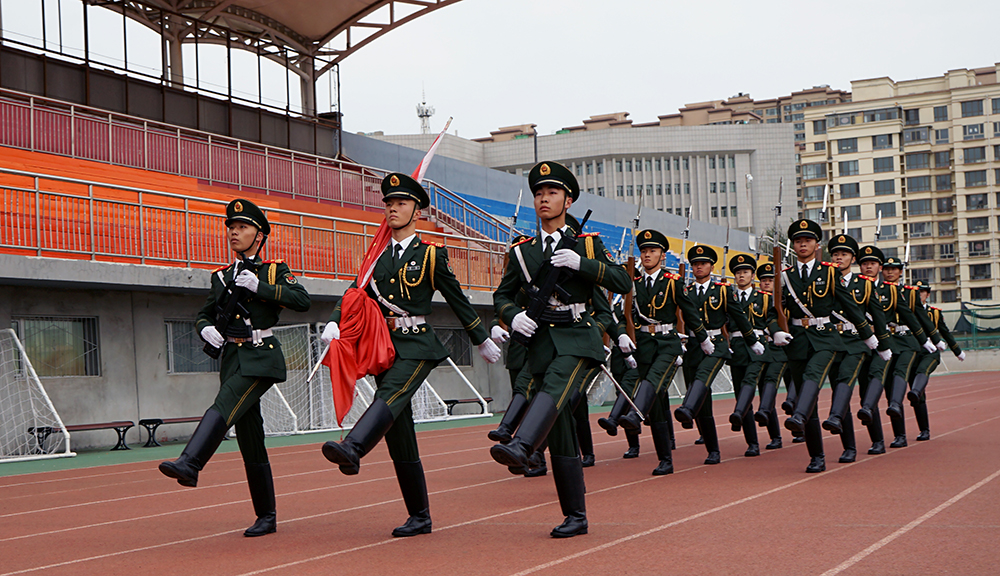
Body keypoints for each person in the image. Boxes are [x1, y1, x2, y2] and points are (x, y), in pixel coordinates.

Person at [319, 172, 502, 537]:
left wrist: (480, 338)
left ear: (416, 211)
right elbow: (356, 291)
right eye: (388, 203)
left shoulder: (431, 254)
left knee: (390, 395)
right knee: (398, 432)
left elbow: (456, 298)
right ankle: (419, 515)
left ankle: (354, 446)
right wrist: (335, 320)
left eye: (401, 203)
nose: (393, 209)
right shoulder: (376, 255)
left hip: (417, 344)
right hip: (383, 346)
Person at [491, 160, 632, 537]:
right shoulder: (521, 252)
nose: (544, 199)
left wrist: (583, 264)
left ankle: (522, 444)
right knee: (561, 429)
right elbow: (502, 296)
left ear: (568, 201)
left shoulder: (588, 243)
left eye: (552, 192)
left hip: (579, 338)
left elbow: (622, 282)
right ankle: (575, 515)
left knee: (554, 386)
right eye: (538, 193)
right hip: (540, 342)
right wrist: (513, 316)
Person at [158, 198, 311, 537]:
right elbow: (205, 314)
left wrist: (261, 288)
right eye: (231, 227)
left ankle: (191, 462)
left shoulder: (273, 270)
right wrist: (204, 329)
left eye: (242, 227)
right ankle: (266, 516)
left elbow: (302, 300)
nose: (234, 232)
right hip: (232, 358)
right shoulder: (221, 276)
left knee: (224, 404)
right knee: (250, 437)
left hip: (261, 357)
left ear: (259, 235)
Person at [780, 219, 879, 473]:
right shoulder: (785, 276)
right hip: (797, 340)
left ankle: (808, 421)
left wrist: (867, 335)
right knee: (807, 395)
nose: (803, 244)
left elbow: (849, 306)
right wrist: (775, 330)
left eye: (808, 240)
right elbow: (775, 309)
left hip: (825, 337)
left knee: (819, 380)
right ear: (793, 245)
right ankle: (817, 456)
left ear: (817, 245)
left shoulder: (829, 272)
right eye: (798, 241)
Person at [613, 229, 704, 474]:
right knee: (656, 403)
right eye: (644, 251)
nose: (647, 255)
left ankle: (635, 414)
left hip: (667, 343)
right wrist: (622, 334)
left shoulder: (673, 281)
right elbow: (624, 315)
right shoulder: (634, 283)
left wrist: (703, 338)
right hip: (644, 344)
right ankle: (665, 459)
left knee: (651, 382)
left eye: (652, 251)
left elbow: (689, 312)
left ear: (662, 255)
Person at [675, 245, 764, 465]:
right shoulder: (685, 291)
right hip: (693, 346)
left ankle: (688, 409)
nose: (699, 267)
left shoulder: (722, 290)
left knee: (702, 380)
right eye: (695, 264)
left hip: (716, 344)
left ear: (711, 267)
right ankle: (712, 449)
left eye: (703, 263)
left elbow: (739, 316)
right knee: (702, 400)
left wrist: (752, 340)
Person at [822, 234, 892, 464]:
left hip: (859, 342)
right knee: (839, 392)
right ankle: (849, 447)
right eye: (835, 254)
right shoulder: (823, 282)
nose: (839, 258)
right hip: (833, 341)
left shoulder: (864, 284)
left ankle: (877, 440)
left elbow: (878, 316)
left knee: (859, 392)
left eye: (844, 254)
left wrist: (883, 345)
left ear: (852, 259)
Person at [875, 256, 940, 448]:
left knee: (915, 391)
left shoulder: (910, 293)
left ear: (901, 272)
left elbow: (921, 318)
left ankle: (924, 429)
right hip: (889, 341)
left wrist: (933, 340)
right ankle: (900, 435)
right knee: (891, 389)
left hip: (910, 343)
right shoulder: (876, 291)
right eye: (887, 268)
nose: (890, 272)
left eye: (894, 269)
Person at [726, 255, 786, 457]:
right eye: (738, 273)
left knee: (757, 389)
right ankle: (752, 442)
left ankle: (775, 436)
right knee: (741, 395)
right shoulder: (729, 297)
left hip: (759, 348)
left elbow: (771, 320)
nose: (741, 276)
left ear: (753, 276)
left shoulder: (764, 298)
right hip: (737, 349)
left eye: (745, 272)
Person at [908, 280, 965, 441]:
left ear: (927, 294)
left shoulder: (934, 313)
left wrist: (957, 351)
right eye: (916, 292)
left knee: (922, 371)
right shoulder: (906, 311)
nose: (919, 295)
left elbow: (945, 333)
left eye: (921, 292)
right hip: (911, 352)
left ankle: (916, 392)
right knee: (918, 396)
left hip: (930, 352)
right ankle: (924, 430)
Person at [750, 262, 786, 450]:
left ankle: (801, 426)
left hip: (785, 350)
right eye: (763, 280)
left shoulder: (785, 301)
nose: (766, 283)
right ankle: (775, 436)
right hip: (766, 349)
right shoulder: (756, 301)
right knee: (765, 388)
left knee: (795, 390)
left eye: (770, 280)